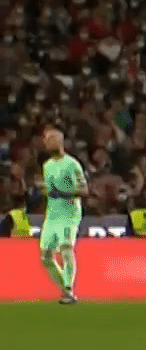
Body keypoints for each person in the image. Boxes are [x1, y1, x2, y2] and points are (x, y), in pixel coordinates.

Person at [39, 129, 86, 304]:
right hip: (52, 215)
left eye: (51, 139)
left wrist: (64, 193)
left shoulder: (72, 164)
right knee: (45, 256)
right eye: (46, 140)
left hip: (69, 214)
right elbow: (51, 191)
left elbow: (84, 190)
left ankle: (68, 290)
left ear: (60, 142)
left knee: (66, 248)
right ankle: (66, 290)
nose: (47, 143)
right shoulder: (47, 166)